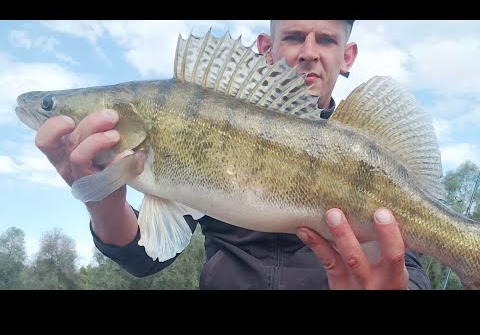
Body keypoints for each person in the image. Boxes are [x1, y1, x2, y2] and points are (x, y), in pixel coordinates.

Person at [34, 20, 431, 290]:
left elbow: (409, 267)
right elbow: (149, 257)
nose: (309, 52)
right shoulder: (207, 123)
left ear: (347, 56)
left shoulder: (370, 157)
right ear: (265, 47)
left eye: (326, 39)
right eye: (293, 36)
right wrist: (101, 199)